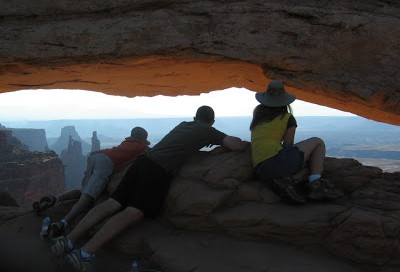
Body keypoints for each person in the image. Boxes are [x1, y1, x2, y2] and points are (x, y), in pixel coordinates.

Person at [49, 105, 246, 271]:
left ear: (195, 117)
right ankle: (85, 253)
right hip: (158, 170)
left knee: (113, 202)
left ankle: (68, 240)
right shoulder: (207, 130)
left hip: (142, 162)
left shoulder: (184, 125)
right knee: (134, 211)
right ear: (211, 121)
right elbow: (234, 145)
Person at [36, 126, 150, 238]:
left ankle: (55, 199)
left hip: (95, 156)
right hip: (105, 162)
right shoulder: (141, 146)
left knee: (84, 191)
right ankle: (63, 222)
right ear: (143, 139)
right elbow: (152, 153)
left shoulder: (127, 142)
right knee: (89, 196)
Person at [250, 80, 343, 204]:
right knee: (318, 142)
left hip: (261, 169)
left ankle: (289, 181)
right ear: (284, 101)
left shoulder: (258, 116)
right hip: (277, 162)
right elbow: (288, 144)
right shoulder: (287, 117)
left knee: (301, 163)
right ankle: (316, 184)